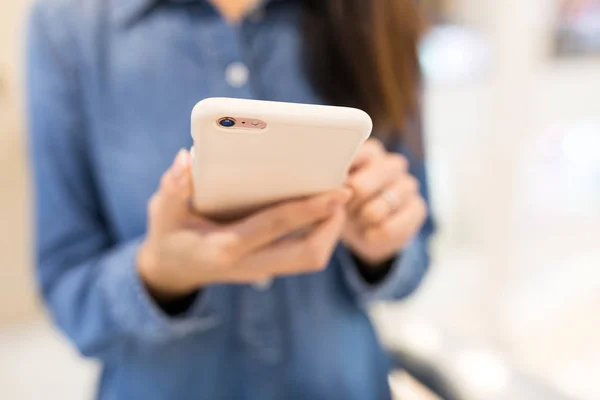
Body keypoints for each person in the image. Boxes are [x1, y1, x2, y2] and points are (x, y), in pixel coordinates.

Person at [26, 0, 434, 398]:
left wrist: (382, 248)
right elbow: (68, 292)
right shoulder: (69, 24)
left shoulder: (381, 12)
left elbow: (418, 254)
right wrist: (158, 274)